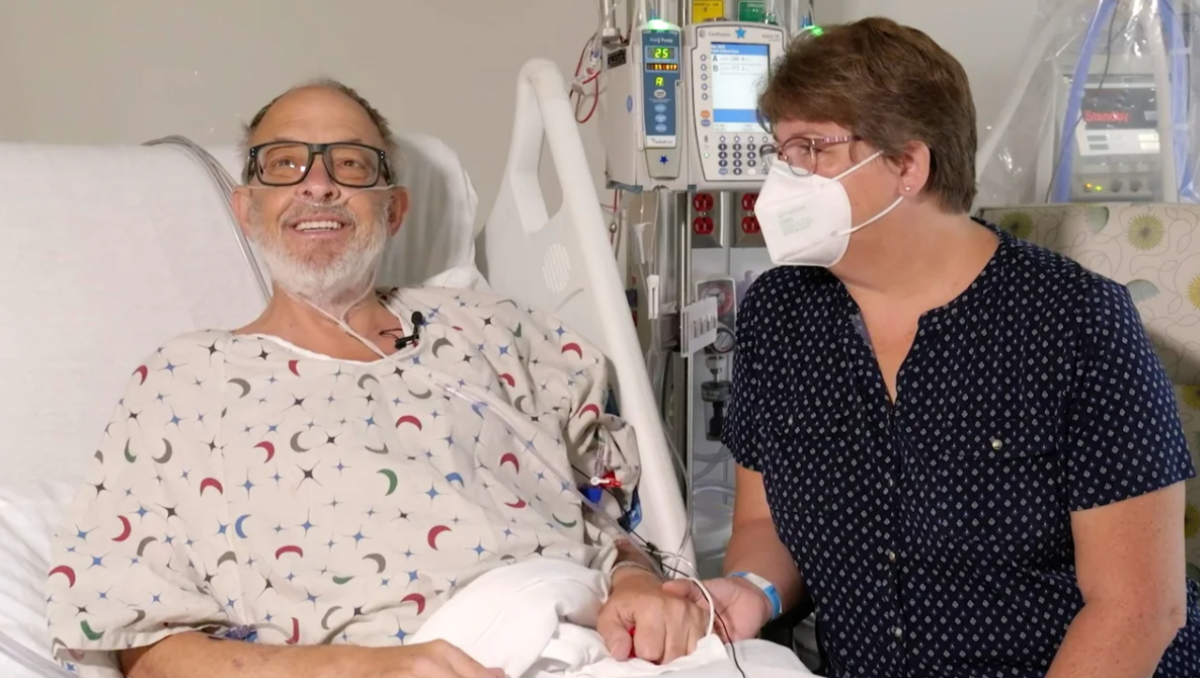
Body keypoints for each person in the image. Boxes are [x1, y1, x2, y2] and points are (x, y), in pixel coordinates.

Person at [43, 80, 708, 678]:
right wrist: (365, 669)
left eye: (351, 164)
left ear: (393, 210)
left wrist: (637, 583)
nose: (318, 184)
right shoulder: (184, 383)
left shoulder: (494, 329)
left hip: (593, 638)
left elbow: (616, 511)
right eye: (285, 164)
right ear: (246, 210)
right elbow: (149, 653)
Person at [657, 16, 1200, 678]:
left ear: (907, 165)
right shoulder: (780, 314)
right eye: (781, 151)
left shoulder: (1075, 322)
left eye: (812, 150)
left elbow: (1139, 609)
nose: (783, 179)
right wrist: (749, 590)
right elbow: (766, 524)